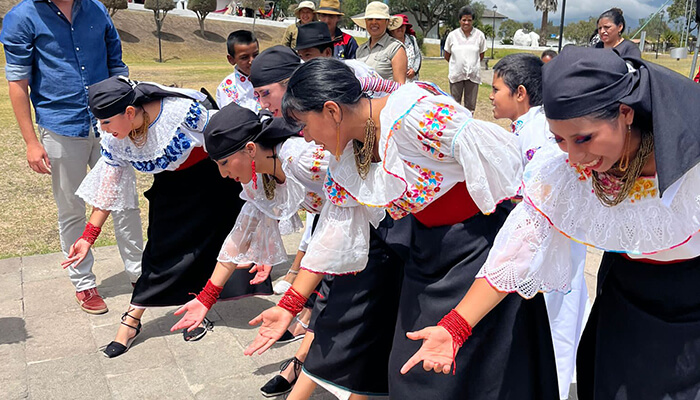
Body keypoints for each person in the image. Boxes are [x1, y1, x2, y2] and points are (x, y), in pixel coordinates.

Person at [246, 58, 559, 400]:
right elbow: (334, 231)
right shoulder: (348, 154)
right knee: (412, 372)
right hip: (428, 253)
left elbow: (506, 160)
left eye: (304, 125)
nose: (304, 137)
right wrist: (290, 304)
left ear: (332, 111)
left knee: (478, 374)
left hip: (479, 250)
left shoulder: (414, 116)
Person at [403, 46, 700, 400]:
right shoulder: (564, 173)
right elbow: (517, 253)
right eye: (560, 139)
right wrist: (455, 326)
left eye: (584, 138)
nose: (575, 157)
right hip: (624, 306)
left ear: (625, 113)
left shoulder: (691, 168)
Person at [62, 76, 272, 358]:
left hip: (215, 181)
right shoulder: (115, 139)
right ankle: (132, 319)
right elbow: (109, 187)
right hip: (172, 188)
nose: (102, 129)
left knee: (210, 249)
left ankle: (196, 309)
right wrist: (88, 238)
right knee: (159, 251)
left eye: (107, 122)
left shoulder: (179, 113)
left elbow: (226, 136)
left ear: (129, 112)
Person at [1, 0, 143, 315]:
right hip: (61, 126)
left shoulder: (96, 9)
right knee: (71, 208)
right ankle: (83, 282)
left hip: (109, 127)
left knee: (125, 202)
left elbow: (116, 65)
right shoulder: (22, 17)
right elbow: (18, 83)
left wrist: (124, 115)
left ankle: (138, 273)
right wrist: (30, 141)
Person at [490, 53, 590, 400]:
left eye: (496, 89)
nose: (490, 96)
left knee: (555, 326)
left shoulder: (536, 132)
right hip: (552, 242)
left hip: (551, 242)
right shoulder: (530, 127)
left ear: (520, 93)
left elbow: (535, 193)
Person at [444, 6, 487, 113]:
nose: (466, 23)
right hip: (456, 75)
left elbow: (481, 55)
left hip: (473, 76)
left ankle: (468, 127)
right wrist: (457, 64)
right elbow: (447, 55)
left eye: (469, 20)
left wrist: (471, 64)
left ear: (473, 21)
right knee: (455, 105)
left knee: (470, 107)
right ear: (459, 21)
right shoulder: (452, 35)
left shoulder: (480, 35)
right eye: (464, 20)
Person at [353, 2, 408, 83]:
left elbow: (399, 87)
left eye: (378, 19)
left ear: (387, 22)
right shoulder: (360, 50)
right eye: (370, 19)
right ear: (366, 22)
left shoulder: (395, 48)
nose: (373, 22)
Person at [216, 30, 260, 111]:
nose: (251, 61)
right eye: (244, 57)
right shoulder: (226, 88)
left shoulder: (269, 80)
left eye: (255, 55)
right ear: (231, 59)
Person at [389, 14, 422, 82]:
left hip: (412, 81)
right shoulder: (388, 41)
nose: (400, 29)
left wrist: (414, 70)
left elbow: (418, 56)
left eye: (402, 26)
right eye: (398, 26)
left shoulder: (411, 39)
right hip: (394, 82)